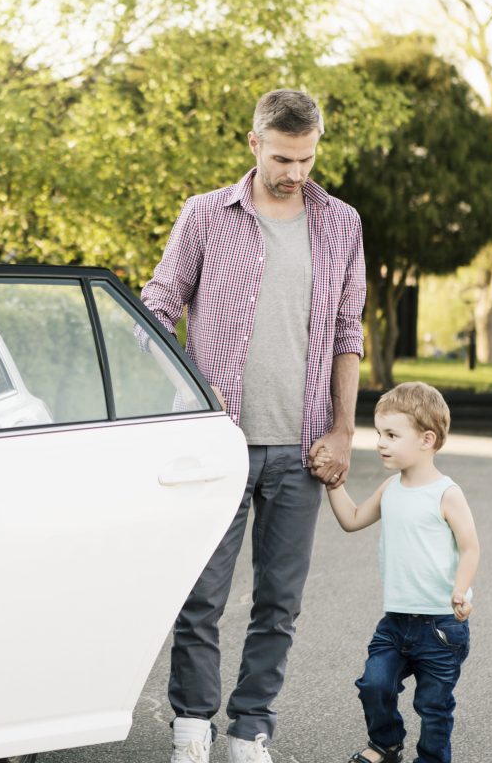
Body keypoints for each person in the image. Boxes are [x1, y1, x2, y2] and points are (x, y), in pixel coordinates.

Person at [143, 88, 367, 763]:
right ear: (254, 144)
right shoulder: (205, 215)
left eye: (306, 159)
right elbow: (157, 307)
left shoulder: (342, 223)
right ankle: (191, 728)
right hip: (219, 446)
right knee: (202, 597)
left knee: (279, 604)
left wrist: (344, 431)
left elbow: (347, 331)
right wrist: (190, 385)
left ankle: (250, 731)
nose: (295, 172)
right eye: (282, 158)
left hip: (303, 448)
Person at [324, 382, 481, 763]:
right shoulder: (390, 488)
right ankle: (386, 744)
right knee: (374, 684)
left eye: (392, 435)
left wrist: (461, 591)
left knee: (433, 705)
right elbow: (352, 519)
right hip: (396, 622)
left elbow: (470, 546)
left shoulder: (446, 493)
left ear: (427, 439)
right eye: (379, 433)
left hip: (441, 626)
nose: (380, 443)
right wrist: (333, 482)